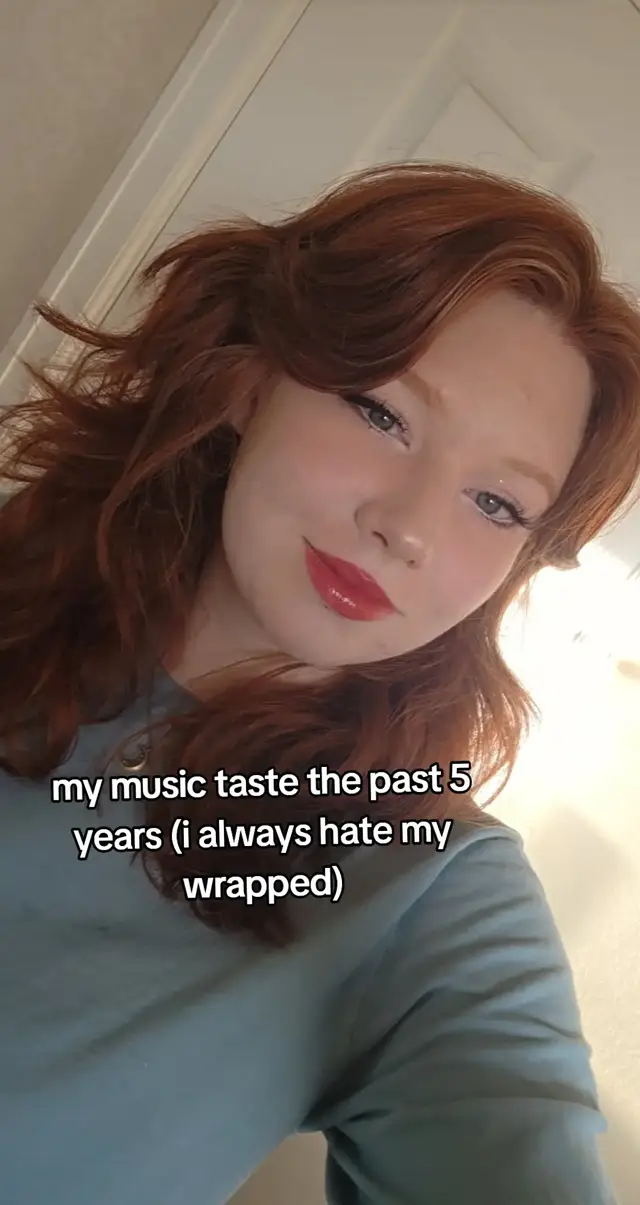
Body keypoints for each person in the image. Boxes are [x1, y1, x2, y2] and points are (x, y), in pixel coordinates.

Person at [1, 161, 638, 1205]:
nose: (409, 526)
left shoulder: (427, 893)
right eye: (381, 413)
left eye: (495, 502)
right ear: (251, 379)